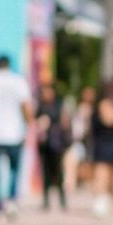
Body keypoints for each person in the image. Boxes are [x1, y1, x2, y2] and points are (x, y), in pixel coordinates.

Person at [0, 54, 33, 216]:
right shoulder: (18, 81)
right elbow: (26, 106)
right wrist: (28, 126)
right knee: (14, 169)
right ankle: (11, 201)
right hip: (14, 132)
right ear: (9, 65)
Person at [89, 77, 113, 222]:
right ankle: (100, 199)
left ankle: (108, 198)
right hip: (103, 142)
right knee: (102, 172)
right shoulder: (103, 104)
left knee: (112, 172)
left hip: (112, 142)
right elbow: (110, 120)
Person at [34, 68, 71, 211]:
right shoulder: (41, 106)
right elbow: (35, 120)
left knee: (59, 172)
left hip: (57, 142)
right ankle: (46, 200)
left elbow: (65, 121)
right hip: (44, 143)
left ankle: (62, 199)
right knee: (46, 173)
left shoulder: (59, 105)